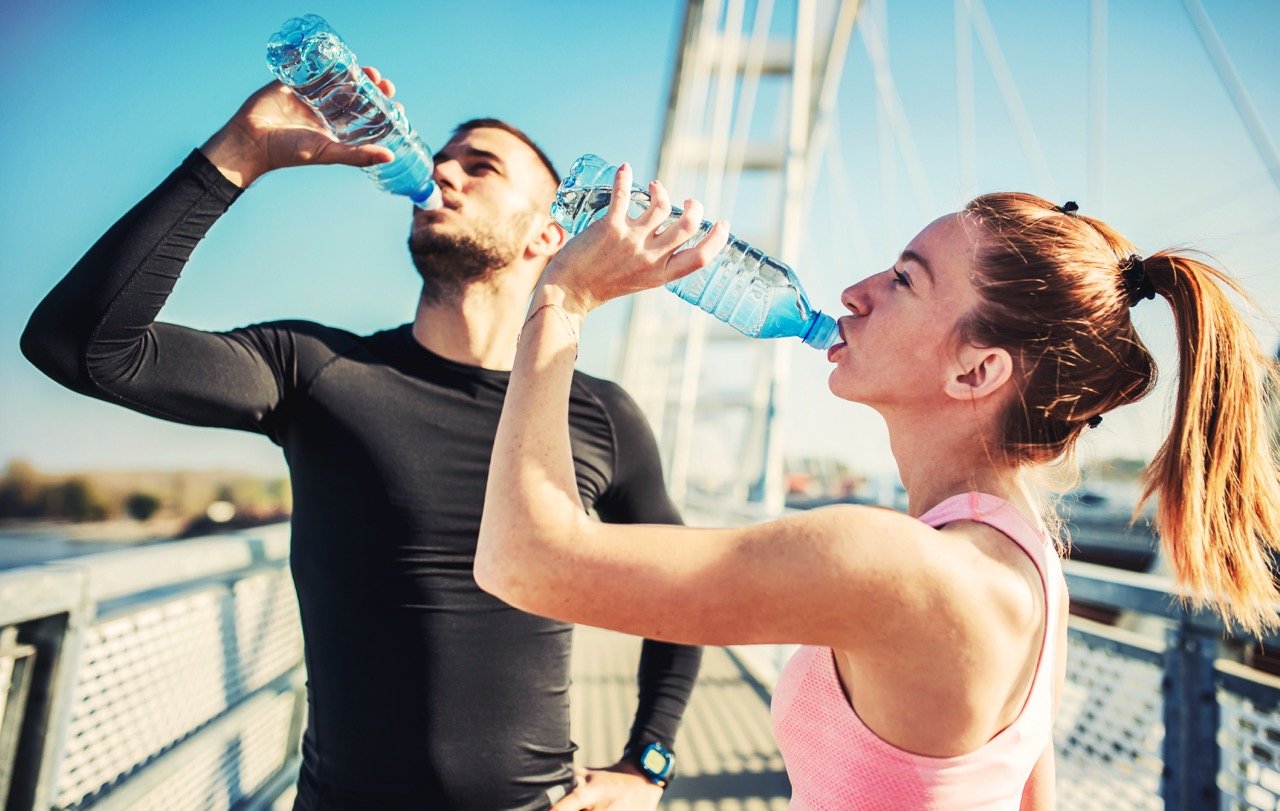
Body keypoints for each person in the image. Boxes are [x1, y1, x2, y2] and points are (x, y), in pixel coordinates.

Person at [475, 166, 1280, 809]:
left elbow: (523, 559)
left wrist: (564, 296)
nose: (855, 290)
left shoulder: (894, 564)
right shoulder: (1028, 560)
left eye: (904, 279)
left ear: (977, 369)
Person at [21, 75, 702, 810]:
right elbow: (78, 344)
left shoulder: (600, 413)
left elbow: (685, 590)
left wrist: (648, 762)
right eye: (443, 158)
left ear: (548, 234)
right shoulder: (317, 369)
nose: (443, 171)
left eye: (482, 166)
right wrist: (239, 152)